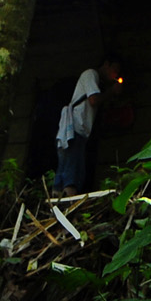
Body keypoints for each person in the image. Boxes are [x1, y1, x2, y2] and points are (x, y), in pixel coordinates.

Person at [55, 52, 122, 195]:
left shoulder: (98, 81)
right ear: (106, 65)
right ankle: (69, 198)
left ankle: (58, 195)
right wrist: (112, 91)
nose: (114, 74)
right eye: (114, 70)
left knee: (65, 166)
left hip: (78, 129)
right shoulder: (91, 74)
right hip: (76, 127)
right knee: (73, 168)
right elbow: (93, 100)